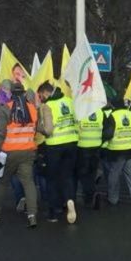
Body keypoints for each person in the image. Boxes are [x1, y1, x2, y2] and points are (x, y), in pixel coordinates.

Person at [0, 81, 39, 228]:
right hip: (28, 151)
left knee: (1, 183)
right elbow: (34, 130)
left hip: (9, 152)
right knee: (28, 183)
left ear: (11, 93)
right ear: (23, 93)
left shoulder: (6, 109)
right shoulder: (32, 109)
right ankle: (32, 216)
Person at [38, 81, 80, 224]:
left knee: (52, 179)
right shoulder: (69, 101)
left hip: (54, 146)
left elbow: (48, 130)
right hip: (72, 143)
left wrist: (39, 128)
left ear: (46, 92)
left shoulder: (47, 106)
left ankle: (53, 212)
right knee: (67, 176)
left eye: (41, 95)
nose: (41, 98)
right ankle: (69, 200)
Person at [101, 95, 131, 208]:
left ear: (114, 105)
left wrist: (102, 139)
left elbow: (108, 133)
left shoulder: (113, 116)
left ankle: (113, 199)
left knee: (114, 175)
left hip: (117, 151)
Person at [76, 102, 105, 210]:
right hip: (96, 145)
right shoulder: (99, 111)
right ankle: (92, 193)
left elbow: (77, 128)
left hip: (83, 146)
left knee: (84, 174)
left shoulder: (81, 110)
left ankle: (90, 195)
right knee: (92, 172)